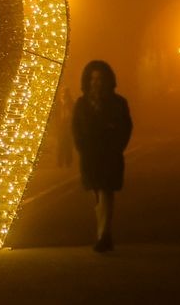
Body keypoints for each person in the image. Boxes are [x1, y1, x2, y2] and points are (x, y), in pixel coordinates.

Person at [71, 61, 133, 253]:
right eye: (93, 79)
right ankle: (104, 233)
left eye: (100, 79)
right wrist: (82, 147)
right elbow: (76, 128)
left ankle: (103, 235)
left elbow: (126, 127)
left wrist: (117, 146)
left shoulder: (118, 103)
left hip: (109, 154)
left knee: (106, 192)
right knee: (97, 194)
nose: (96, 82)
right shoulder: (81, 104)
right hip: (90, 155)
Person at [54, 84, 75, 167]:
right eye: (62, 93)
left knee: (68, 143)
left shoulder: (71, 102)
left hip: (68, 124)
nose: (63, 95)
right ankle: (60, 162)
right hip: (61, 125)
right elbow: (55, 115)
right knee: (60, 143)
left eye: (65, 93)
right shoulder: (58, 103)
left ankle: (68, 162)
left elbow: (73, 113)